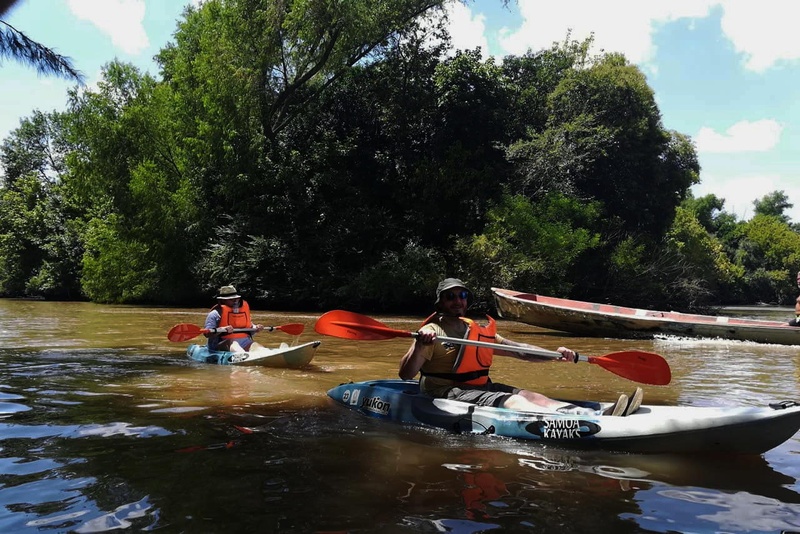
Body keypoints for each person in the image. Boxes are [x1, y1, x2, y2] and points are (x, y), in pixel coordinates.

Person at [398, 278, 643, 416]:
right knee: (511, 401)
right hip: (446, 391)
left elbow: (518, 350)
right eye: (450, 297)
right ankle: (581, 421)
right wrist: (419, 347)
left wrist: (554, 355)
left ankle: (592, 415)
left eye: (462, 296)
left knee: (530, 395)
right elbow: (406, 374)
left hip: (480, 386)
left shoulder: (474, 329)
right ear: (440, 302)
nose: (457, 301)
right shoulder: (432, 332)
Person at [204, 285, 265, 353]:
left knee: (254, 344)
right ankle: (241, 355)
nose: (235, 301)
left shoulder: (242, 312)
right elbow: (207, 334)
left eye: (236, 299)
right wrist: (222, 329)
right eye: (231, 299)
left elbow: (249, 327)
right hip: (222, 345)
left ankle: (265, 353)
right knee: (232, 342)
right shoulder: (215, 314)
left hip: (244, 342)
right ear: (223, 300)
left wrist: (256, 328)